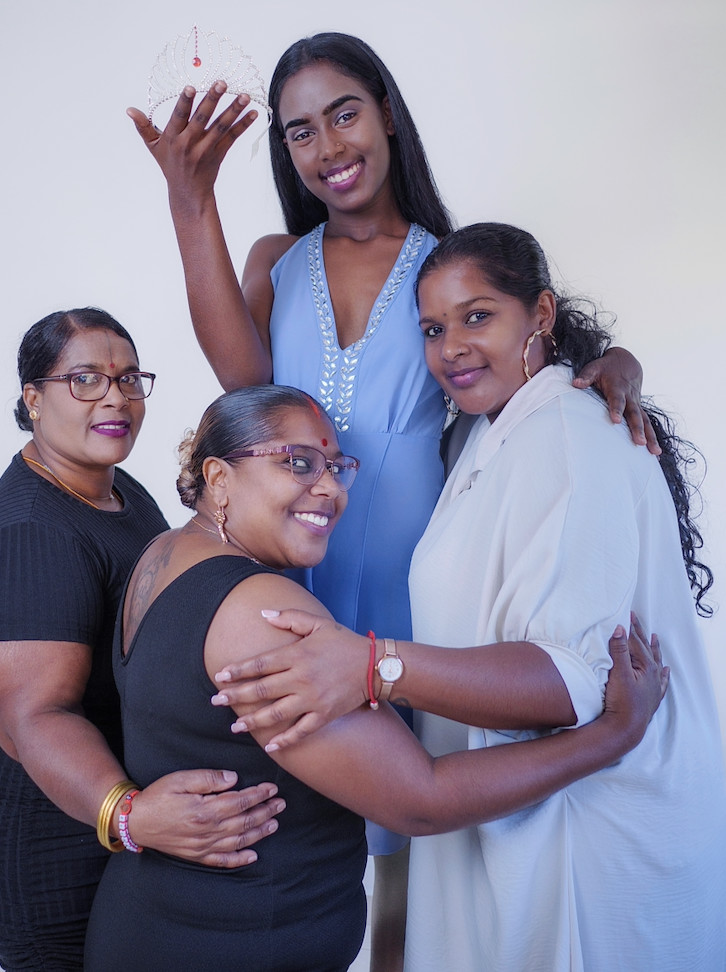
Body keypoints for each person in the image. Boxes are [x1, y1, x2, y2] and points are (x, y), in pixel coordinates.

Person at [128, 33, 658, 967]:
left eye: (344, 114)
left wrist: (616, 363)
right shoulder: (274, 258)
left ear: (385, 113)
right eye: (299, 133)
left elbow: (526, 353)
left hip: (417, 598)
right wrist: (191, 200)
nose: (328, 148)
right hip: (294, 587)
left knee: (420, 838)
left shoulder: (442, 261)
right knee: (299, 825)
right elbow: (242, 381)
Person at [210, 225, 726, 971]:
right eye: (432, 328)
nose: (451, 346)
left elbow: (574, 682)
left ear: (540, 315)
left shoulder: (572, 439)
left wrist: (372, 666)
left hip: (592, 837)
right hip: (505, 812)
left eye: (477, 316)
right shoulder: (483, 435)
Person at [82, 383, 666, 972]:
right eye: (299, 463)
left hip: (154, 923)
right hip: (223, 942)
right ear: (219, 477)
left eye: (337, 468)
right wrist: (610, 735)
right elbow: (420, 800)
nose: (330, 488)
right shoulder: (264, 611)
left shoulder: (163, 555)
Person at [0, 308, 284, 971]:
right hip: (31, 824)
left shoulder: (120, 493)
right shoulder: (26, 537)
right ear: (34, 399)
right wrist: (127, 814)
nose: (115, 397)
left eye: (128, 378)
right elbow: (33, 716)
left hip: (92, 803)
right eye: (86, 379)